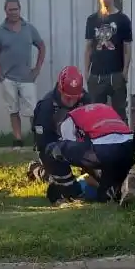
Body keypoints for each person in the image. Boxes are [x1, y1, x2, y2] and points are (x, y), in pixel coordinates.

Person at [44, 102, 135, 203]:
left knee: (52, 149)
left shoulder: (67, 120)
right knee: (104, 196)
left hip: (104, 149)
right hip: (129, 147)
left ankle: (70, 191)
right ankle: (134, 185)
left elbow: (79, 157)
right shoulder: (102, 108)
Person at [0, 0, 46, 149]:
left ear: (20, 9)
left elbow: (41, 46)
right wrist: (0, 76)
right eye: (10, 10)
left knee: (33, 111)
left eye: (15, 9)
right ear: (5, 11)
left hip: (27, 78)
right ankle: (18, 139)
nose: (13, 12)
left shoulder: (29, 29)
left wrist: (37, 69)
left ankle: (37, 140)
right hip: (8, 78)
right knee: (13, 110)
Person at [31, 65, 91, 202]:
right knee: (69, 188)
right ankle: (38, 170)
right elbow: (42, 145)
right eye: (67, 97)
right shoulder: (46, 107)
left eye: (75, 98)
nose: (71, 102)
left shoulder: (86, 100)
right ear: (60, 89)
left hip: (78, 145)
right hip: (55, 148)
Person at [84, 0, 132, 121]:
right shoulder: (92, 20)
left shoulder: (123, 20)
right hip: (96, 74)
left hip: (116, 74)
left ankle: (121, 136)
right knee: (96, 115)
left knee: (119, 114)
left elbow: (127, 48)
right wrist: (86, 72)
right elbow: (88, 47)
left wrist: (125, 72)